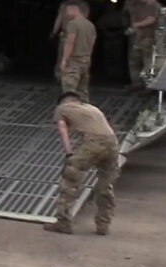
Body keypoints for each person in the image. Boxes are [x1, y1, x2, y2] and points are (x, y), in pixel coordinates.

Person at [44, 92, 120, 235]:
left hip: (94, 142)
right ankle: (103, 225)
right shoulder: (92, 109)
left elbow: (62, 128)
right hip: (112, 142)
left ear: (63, 102)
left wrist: (68, 153)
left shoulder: (62, 108)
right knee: (106, 185)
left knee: (71, 179)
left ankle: (63, 223)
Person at [122, 0, 160, 90]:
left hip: (148, 38)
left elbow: (152, 19)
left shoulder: (152, 4)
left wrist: (136, 25)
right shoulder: (132, 2)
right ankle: (137, 85)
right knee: (133, 61)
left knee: (148, 62)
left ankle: (148, 87)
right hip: (135, 38)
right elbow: (126, 15)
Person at [57, 0, 96, 101]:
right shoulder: (90, 25)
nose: (66, 14)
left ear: (73, 9)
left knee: (69, 91)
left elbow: (70, 42)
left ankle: (70, 113)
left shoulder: (72, 24)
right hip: (86, 61)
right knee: (83, 91)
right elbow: (92, 44)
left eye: (67, 11)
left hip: (74, 62)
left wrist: (64, 60)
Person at [50, 0, 89, 79]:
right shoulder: (63, 5)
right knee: (62, 55)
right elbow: (59, 18)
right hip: (65, 33)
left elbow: (85, 18)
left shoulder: (83, 5)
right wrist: (54, 31)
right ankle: (59, 76)